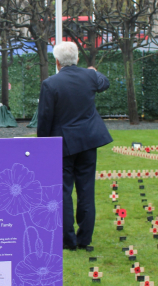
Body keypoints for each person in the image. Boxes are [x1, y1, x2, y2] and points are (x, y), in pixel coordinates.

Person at [36, 41, 112, 251]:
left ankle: (68, 240)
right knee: (86, 190)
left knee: (63, 191)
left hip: (63, 144)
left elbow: (45, 118)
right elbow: (105, 83)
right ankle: (84, 238)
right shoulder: (89, 77)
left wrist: (44, 146)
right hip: (89, 141)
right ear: (77, 58)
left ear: (57, 62)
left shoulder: (50, 84)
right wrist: (94, 72)